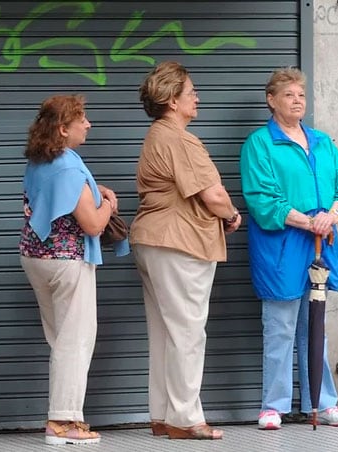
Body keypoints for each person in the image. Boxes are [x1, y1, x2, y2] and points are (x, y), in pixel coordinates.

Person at [240, 67, 338, 430]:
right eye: (288, 95)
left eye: (301, 95)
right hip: (282, 245)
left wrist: (332, 214)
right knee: (279, 326)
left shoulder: (323, 141)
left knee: (317, 325)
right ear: (271, 100)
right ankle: (272, 406)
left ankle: (322, 403)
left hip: (321, 244)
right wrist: (310, 221)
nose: (297, 101)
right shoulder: (260, 144)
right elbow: (262, 200)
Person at [130, 61, 241, 440]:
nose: (197, 97)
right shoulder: (179, 139)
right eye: (190, 91)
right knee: (188, 332)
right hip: (179, 242)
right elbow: (213, 195)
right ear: (172, 100)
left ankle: (163, 414)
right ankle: (185, 417)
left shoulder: (155, 135)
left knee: (164, 332)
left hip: (152, 240)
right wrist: (231, 214)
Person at [19, 94, 121, 445]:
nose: (88, 124)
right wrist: (107, 204)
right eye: (82, 119)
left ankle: (62, 417)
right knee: (75, 341)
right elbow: (92, 224)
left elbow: (63, 194)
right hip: (66, 261)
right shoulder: (68, 164)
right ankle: (64, 422)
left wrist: (95, 188)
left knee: (61, 339)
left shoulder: (40, 160)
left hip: (36, 257)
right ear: (63, 129)